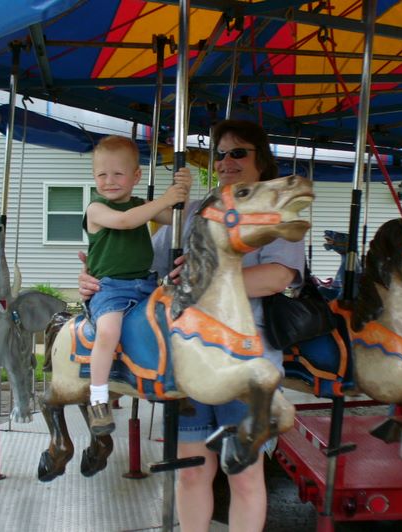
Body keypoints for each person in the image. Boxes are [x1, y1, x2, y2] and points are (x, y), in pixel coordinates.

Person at [78, 120, 305, 531]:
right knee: (192, 470)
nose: (226, 161)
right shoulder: (194, 211)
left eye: (239, 152)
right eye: (220, 153)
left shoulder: (265, 208)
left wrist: (206, 281)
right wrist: (96, 278)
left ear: (261, 159)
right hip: (189, 356)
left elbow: (277, 277)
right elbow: (147, 267)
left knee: (245, 474)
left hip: (244, 357)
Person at [83, 135, 190, 436]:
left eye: (118, 173)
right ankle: (99, 398)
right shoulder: (96, 209)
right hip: (111, 290)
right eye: (102, 174)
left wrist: (182, 191)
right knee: (108, 332)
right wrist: (165, 199)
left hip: (146, 285)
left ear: (136, 176)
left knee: (177, 323)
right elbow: (127, 221)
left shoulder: (141, 205)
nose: (109, 181)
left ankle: (174, 383)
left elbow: (175, 217)